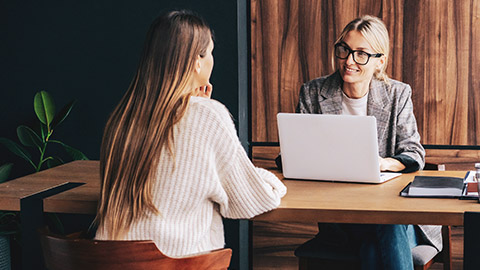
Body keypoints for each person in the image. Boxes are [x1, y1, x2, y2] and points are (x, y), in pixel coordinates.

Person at [94, 10, 286, 257]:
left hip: (109, 261)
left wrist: (199, 108)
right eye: (211, 53)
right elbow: (251, 200)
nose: (212, 60)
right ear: (197, 61)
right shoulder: (208, 116)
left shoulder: (122, 118)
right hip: (180, 263)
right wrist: (272, 182)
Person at [293, 15, 441, 269]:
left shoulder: (397, 93)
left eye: (361, 54)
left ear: (380, 61)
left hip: (395, 213)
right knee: (379, 237)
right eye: (344, 50)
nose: (349, 61)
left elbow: (414, 153)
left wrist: (381, 163)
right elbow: (297, 152)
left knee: (384, 227)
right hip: (340, 216)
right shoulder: (314, 92)